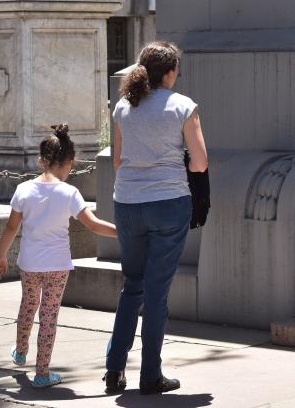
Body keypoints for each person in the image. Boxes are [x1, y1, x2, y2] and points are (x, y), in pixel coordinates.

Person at [104, 41, 208, 396]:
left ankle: (114, 369)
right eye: (176, 69)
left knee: (132, 285)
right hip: (168, 203)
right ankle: (151, 375)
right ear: (168, 73)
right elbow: (200, 162)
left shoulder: (123, 107)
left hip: (128, 203)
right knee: (157, 291)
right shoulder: (183, 106)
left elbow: (117, 161)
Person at [0, 124, 118, 388]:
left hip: (29, 263)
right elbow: (93, 225)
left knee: (28, 305)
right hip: (58, 266)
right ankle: (42, 373)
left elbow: (11, 227)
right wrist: (123, 233)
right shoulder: (69, 193)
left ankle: (20, 350)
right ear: (69, 163)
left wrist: (1, 256)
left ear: (42, 160)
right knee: (49, 317)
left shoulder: (24, 190)